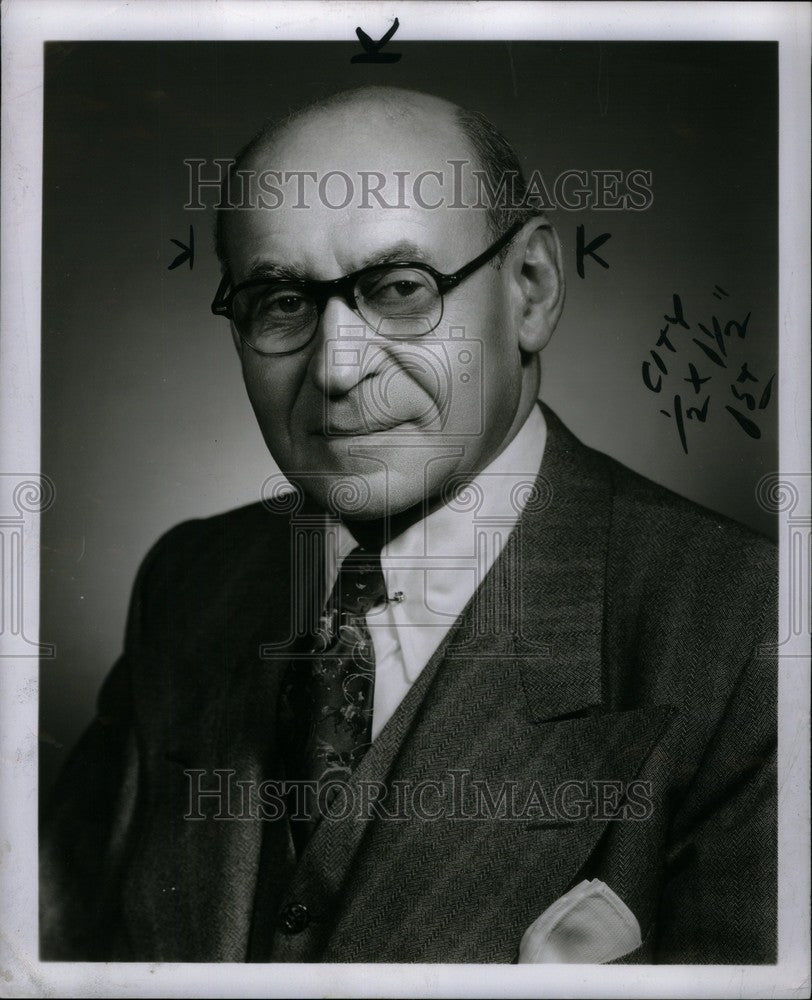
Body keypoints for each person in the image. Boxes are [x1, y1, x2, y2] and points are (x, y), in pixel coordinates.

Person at [40, 86, 777, 965]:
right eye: (280, 301)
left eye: (398, 289)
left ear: (532, 290)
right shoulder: (192, 579)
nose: (340, 369)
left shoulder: (749, 632)